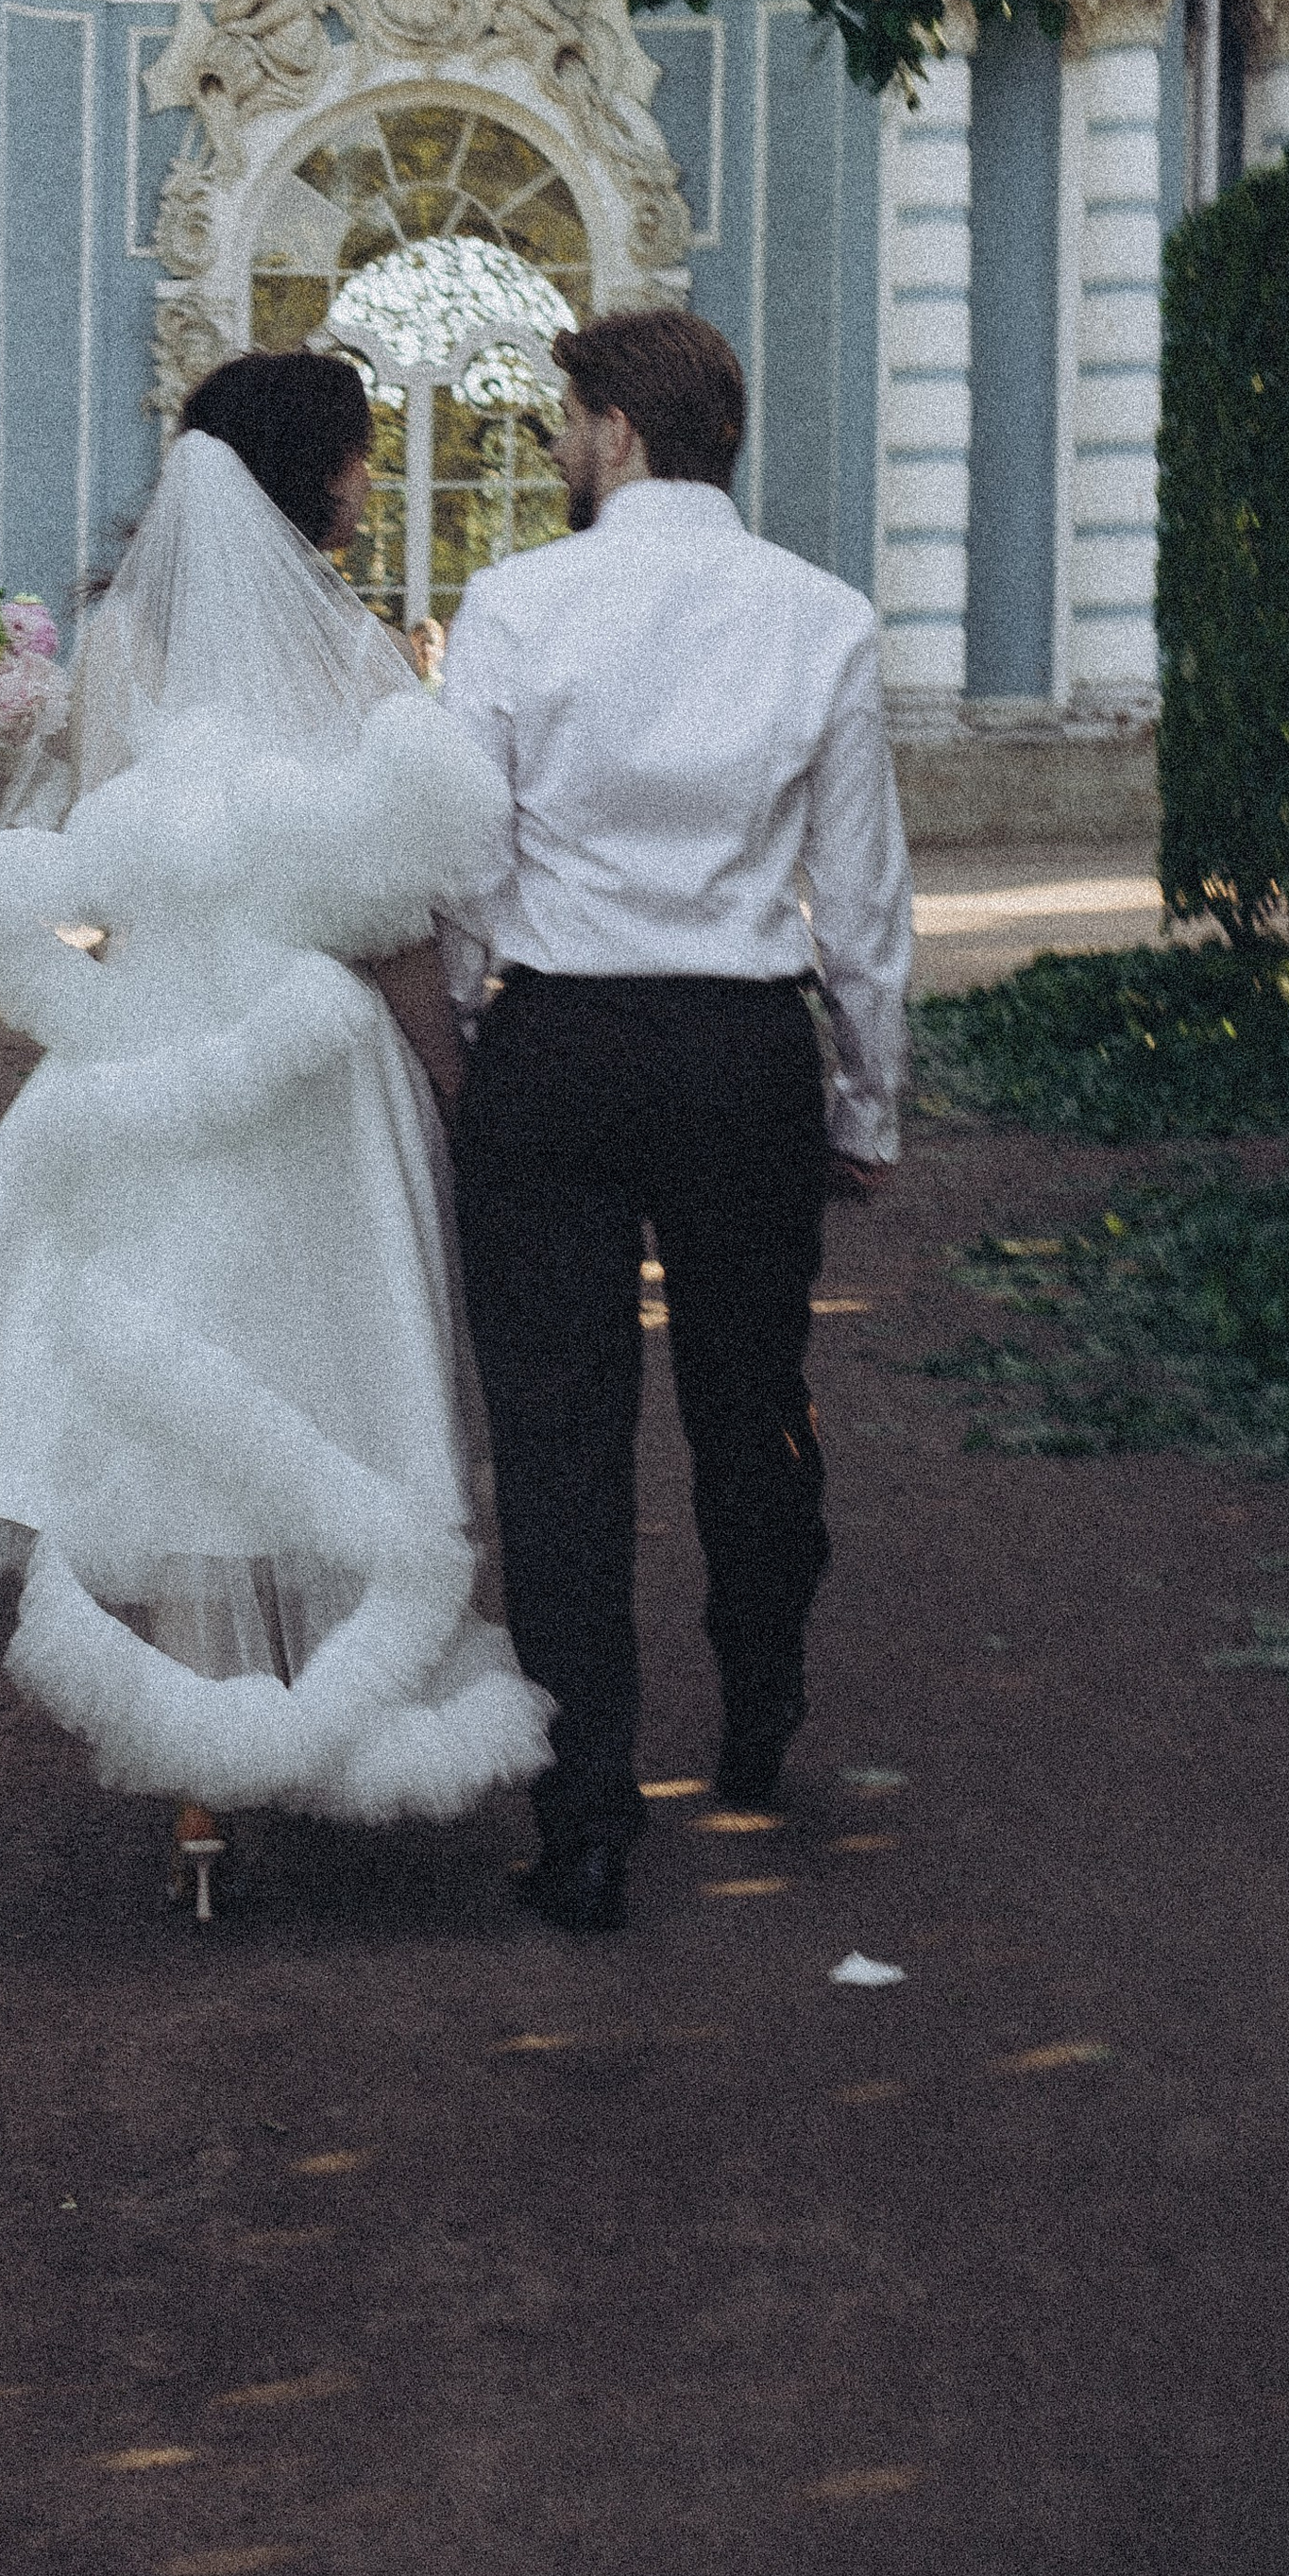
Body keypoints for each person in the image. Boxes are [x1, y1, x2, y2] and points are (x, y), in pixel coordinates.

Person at [0, 351, 550, 1916]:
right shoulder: (354, 663)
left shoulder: (124, 647)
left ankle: (205, 1790)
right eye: (354, 461)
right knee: (332, 1381)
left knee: (193, 1380)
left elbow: (74, 874)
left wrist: (127, 1008)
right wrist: (458, 1085)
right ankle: (351, 1709)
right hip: (319, 1082)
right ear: (314, 477)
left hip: (156, 1062)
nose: (362, 486)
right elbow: (401, 923)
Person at [442, 310, 912, 1935]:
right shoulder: (826, 619)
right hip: (740, 1049)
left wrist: (468, 1024)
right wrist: (866, 1102)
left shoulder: (509, 605)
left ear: (621, 431)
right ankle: (761, 1706)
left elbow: (466, 862)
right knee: (749, 1395)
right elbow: (861, 902)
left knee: (561, 1440)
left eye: (569, 420)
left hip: (558, 1041)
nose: (559, 447)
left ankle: (585, 1827)